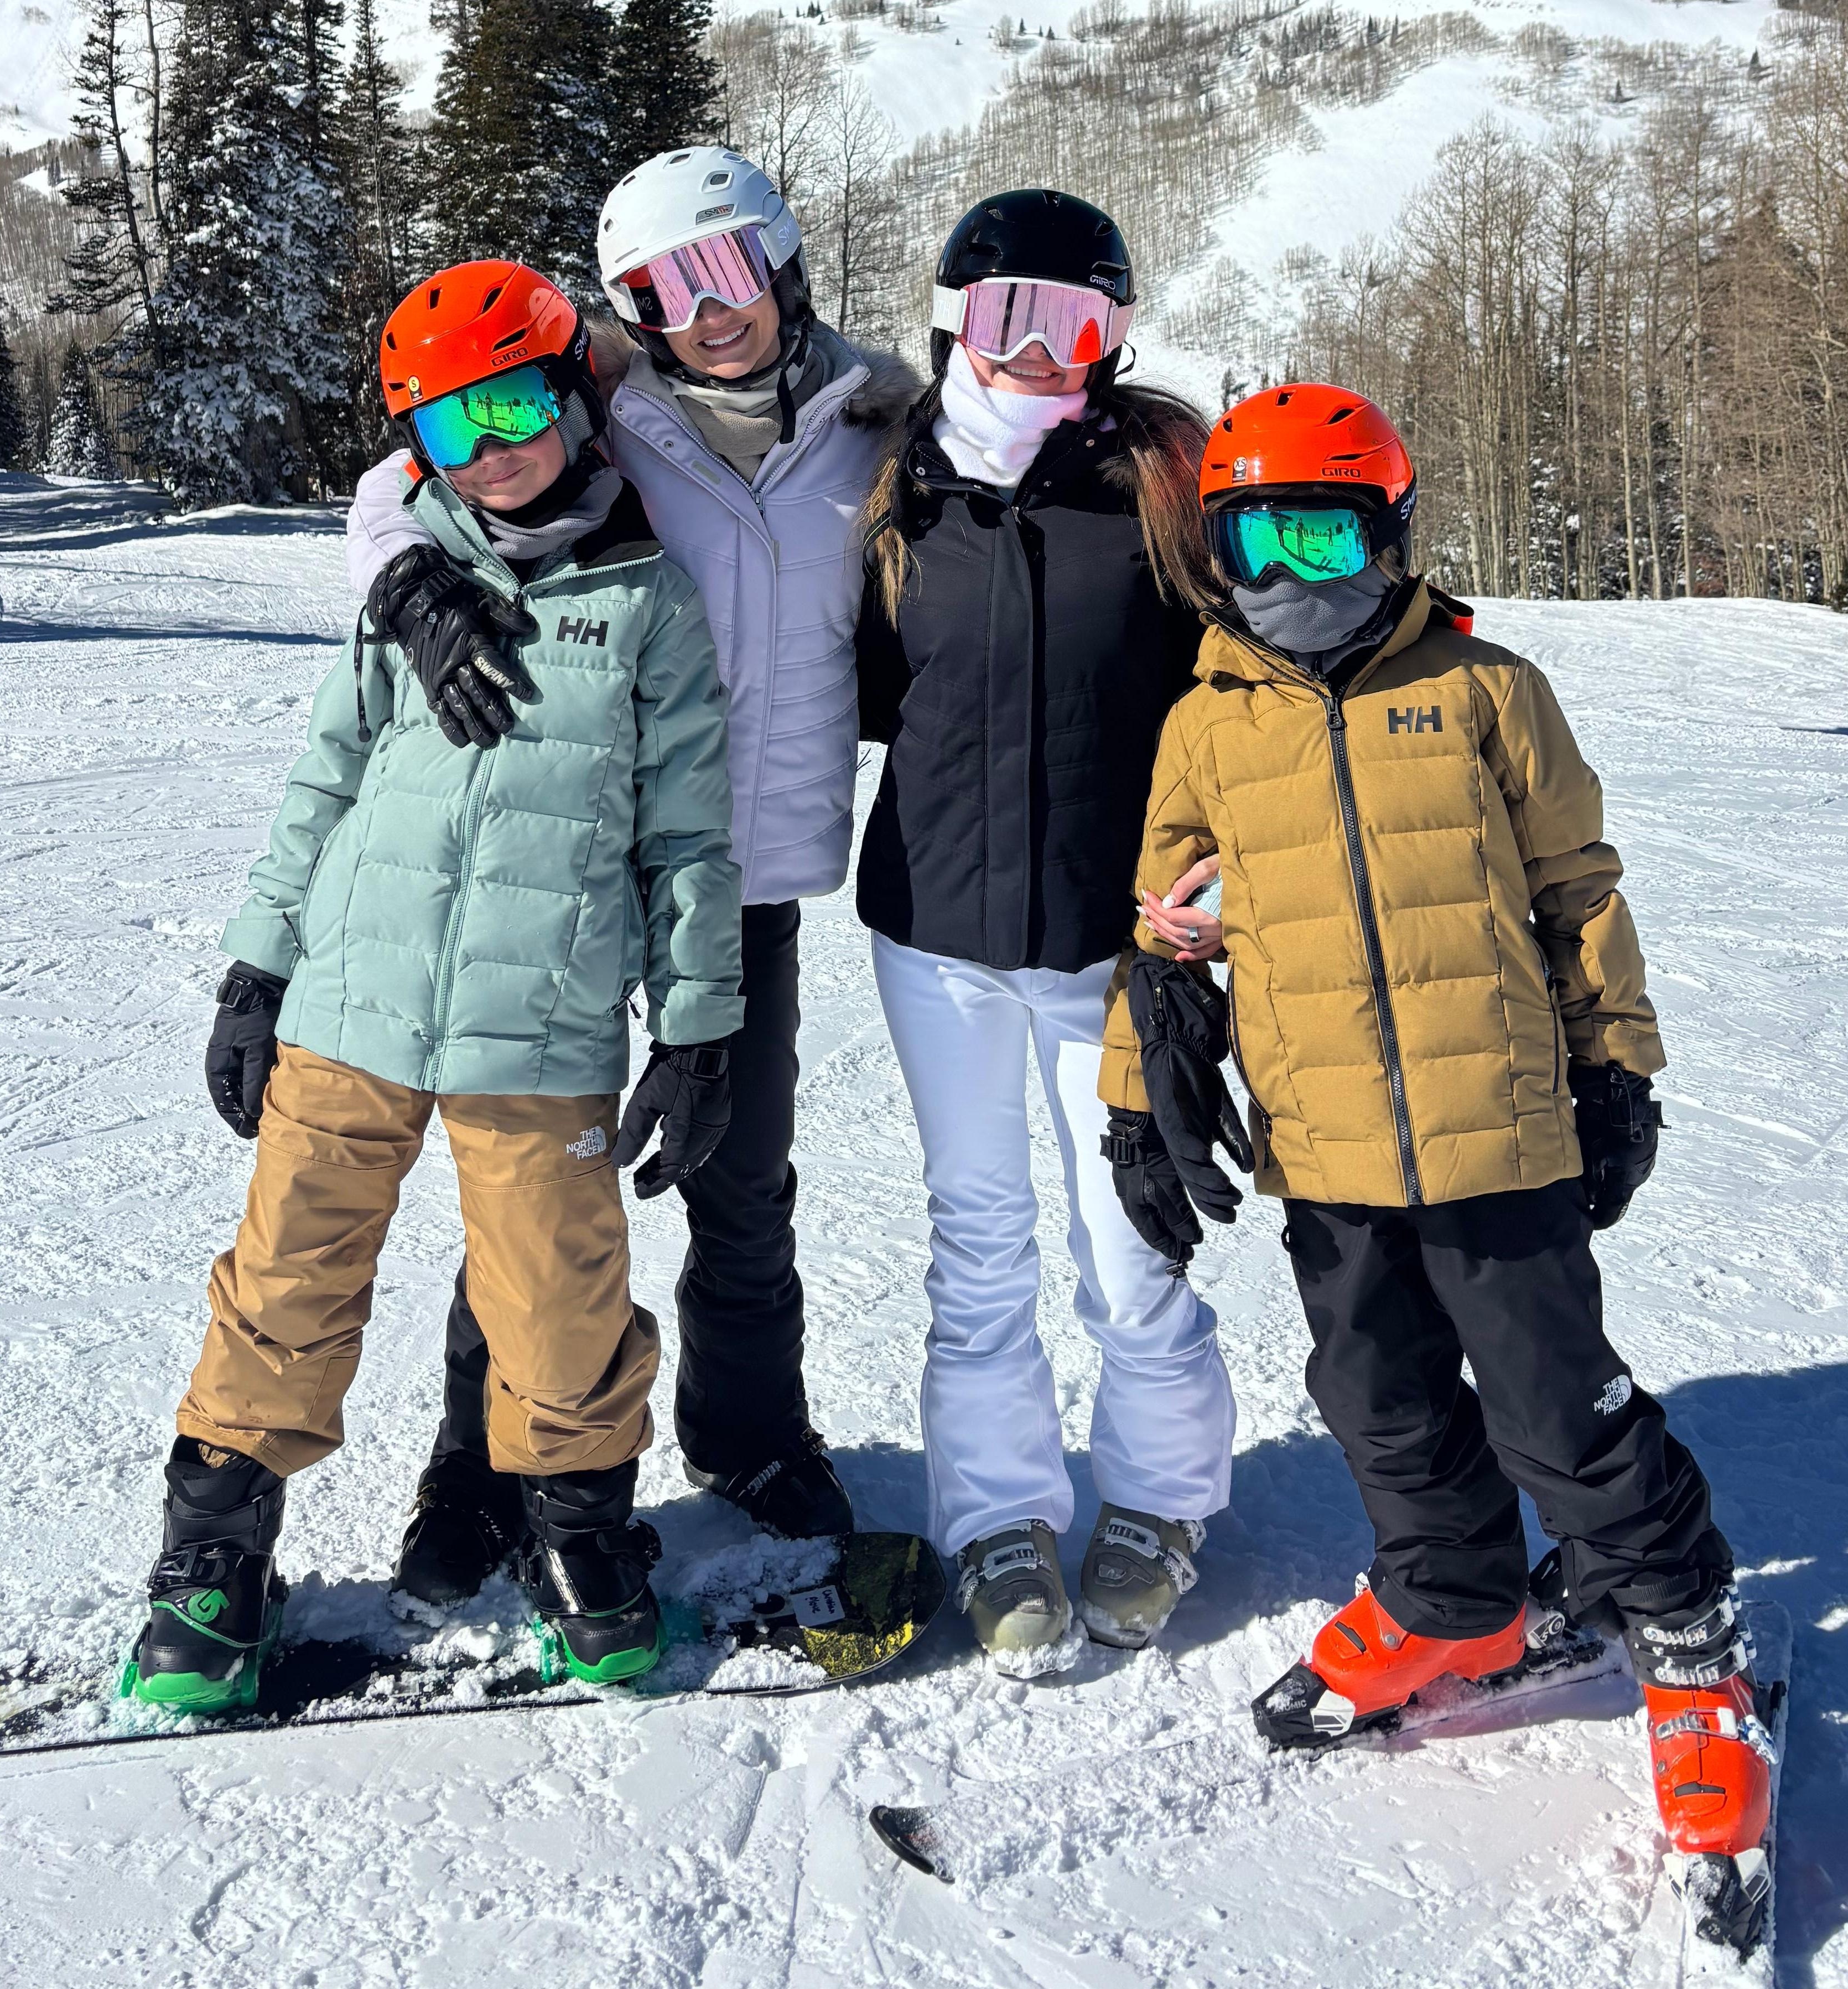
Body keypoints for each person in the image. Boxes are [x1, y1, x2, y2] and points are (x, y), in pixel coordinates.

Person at [1101, 381, 1771, 1944]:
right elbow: (1164, 936)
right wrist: (1139, 1095)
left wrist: (1615, 1064)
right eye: (1254, 541)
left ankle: (1688, 1642)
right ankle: (1449, 1599)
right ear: (1213, 555)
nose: (1292, 573)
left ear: (1389, 534)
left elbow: (1577, 889)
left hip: (1500, 1133)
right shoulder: (1206, 724)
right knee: (1375, 1397)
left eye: (1325, 534)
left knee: (1556, 1408)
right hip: (1325, 1148)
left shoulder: (1484, 690)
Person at [124, 261, 743, 1708]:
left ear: (574, 397)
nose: (495, 448)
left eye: (515, 405)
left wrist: (699, 1028)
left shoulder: (649, 599)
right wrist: (257, 966)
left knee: (560, 1300)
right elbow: (324, 781)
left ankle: (577, 1540)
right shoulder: (405, 595)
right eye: (453, 427)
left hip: (542, 1028)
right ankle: (214, 1557)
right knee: (285, 1279)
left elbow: (687, 837)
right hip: (350, 1006)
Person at [345, 149, 916, 1597]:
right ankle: (480, 1465)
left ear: (783, 261)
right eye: (661, 290)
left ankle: (752, 1435)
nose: (705, 314)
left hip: (746, 869)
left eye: (725, 270)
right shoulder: (603, 407)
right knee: (531, 1190)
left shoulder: (877, 426)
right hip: (573, 857)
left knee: (742, 1178)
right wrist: (407, 581)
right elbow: (401, 482)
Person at [854, 187, 1237, 1667]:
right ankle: (997, 1516)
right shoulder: (892, 486)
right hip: (933, 930)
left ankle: (1160, 1498)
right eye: (1010, 314)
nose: (1039, 349)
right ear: (954, 320)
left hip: (1113, 936)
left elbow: (1263, 676)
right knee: (978, 1239)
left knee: (1130, 1233)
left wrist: (1228, 867)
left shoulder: (1161, 480)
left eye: (1077, 321)